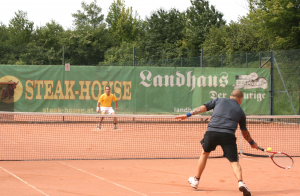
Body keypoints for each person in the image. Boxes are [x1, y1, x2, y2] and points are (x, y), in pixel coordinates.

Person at [175, 90, 257, 196]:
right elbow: (244, 132)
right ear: (240, 99)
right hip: (228, 135)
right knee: (234, 162)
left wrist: (187, 115)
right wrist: (252, 143)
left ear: (231, 96)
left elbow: (203, 107)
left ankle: (196, 180)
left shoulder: (218, 100)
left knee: (205, 153)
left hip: (211, 132)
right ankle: (241, 182)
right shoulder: (240, 111)